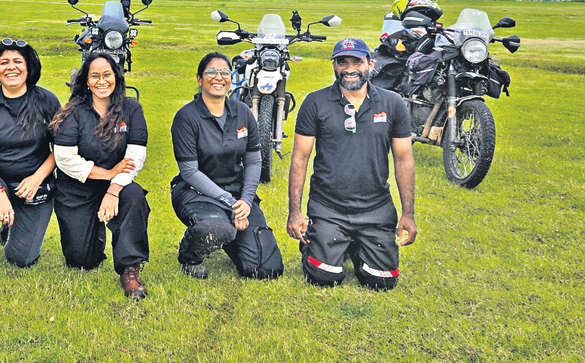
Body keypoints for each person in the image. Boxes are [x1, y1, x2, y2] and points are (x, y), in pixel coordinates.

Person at [286, 38, 418, 291]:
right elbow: (300, 158)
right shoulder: (315, 102)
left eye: (356, 61)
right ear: (334, 65)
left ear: (370, 63)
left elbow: (403, 159)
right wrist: (295, 212)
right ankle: (316, 242)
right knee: (324, 277)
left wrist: (408, 214)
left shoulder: (393, 104)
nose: (349, 69)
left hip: (375, 208)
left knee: (382, 282)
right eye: (341, 62)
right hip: (328, 208)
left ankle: (356, 246)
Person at [170, 52, 283, 280]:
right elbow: (189, 172)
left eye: (224, 72)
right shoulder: (186, 117)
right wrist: (231, 203)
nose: (218, 77)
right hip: (197, 194)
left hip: (238, 196)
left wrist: (246, 200)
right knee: (216, 229)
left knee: (266, 269)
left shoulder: (242, 112)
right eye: (211, 72)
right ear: (200, 79)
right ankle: (190, 254)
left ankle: (230, 236)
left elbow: (253, 159)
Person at [0, 39, 62, 290]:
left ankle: (11, 228)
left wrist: (38, 177)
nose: (11, 67)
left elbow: (61, 150)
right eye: (3, 62)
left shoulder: (48, 101)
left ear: (29, 67)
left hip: (34, 181)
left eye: (18, 61)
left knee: (21, 258)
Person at [51, 53, 151, 300]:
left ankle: (130, 268)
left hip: (118, 184)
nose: (101, 81)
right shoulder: (73, 111)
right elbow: (64, 159)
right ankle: (92, 235)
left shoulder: (131, 108)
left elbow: (135, 156)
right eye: (94, 76)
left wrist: (113, 188)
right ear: (86, 80)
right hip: (77, 187)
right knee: (82, 261)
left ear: (116, 77)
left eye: (107, 75)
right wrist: (106, 173)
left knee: (134, 197)